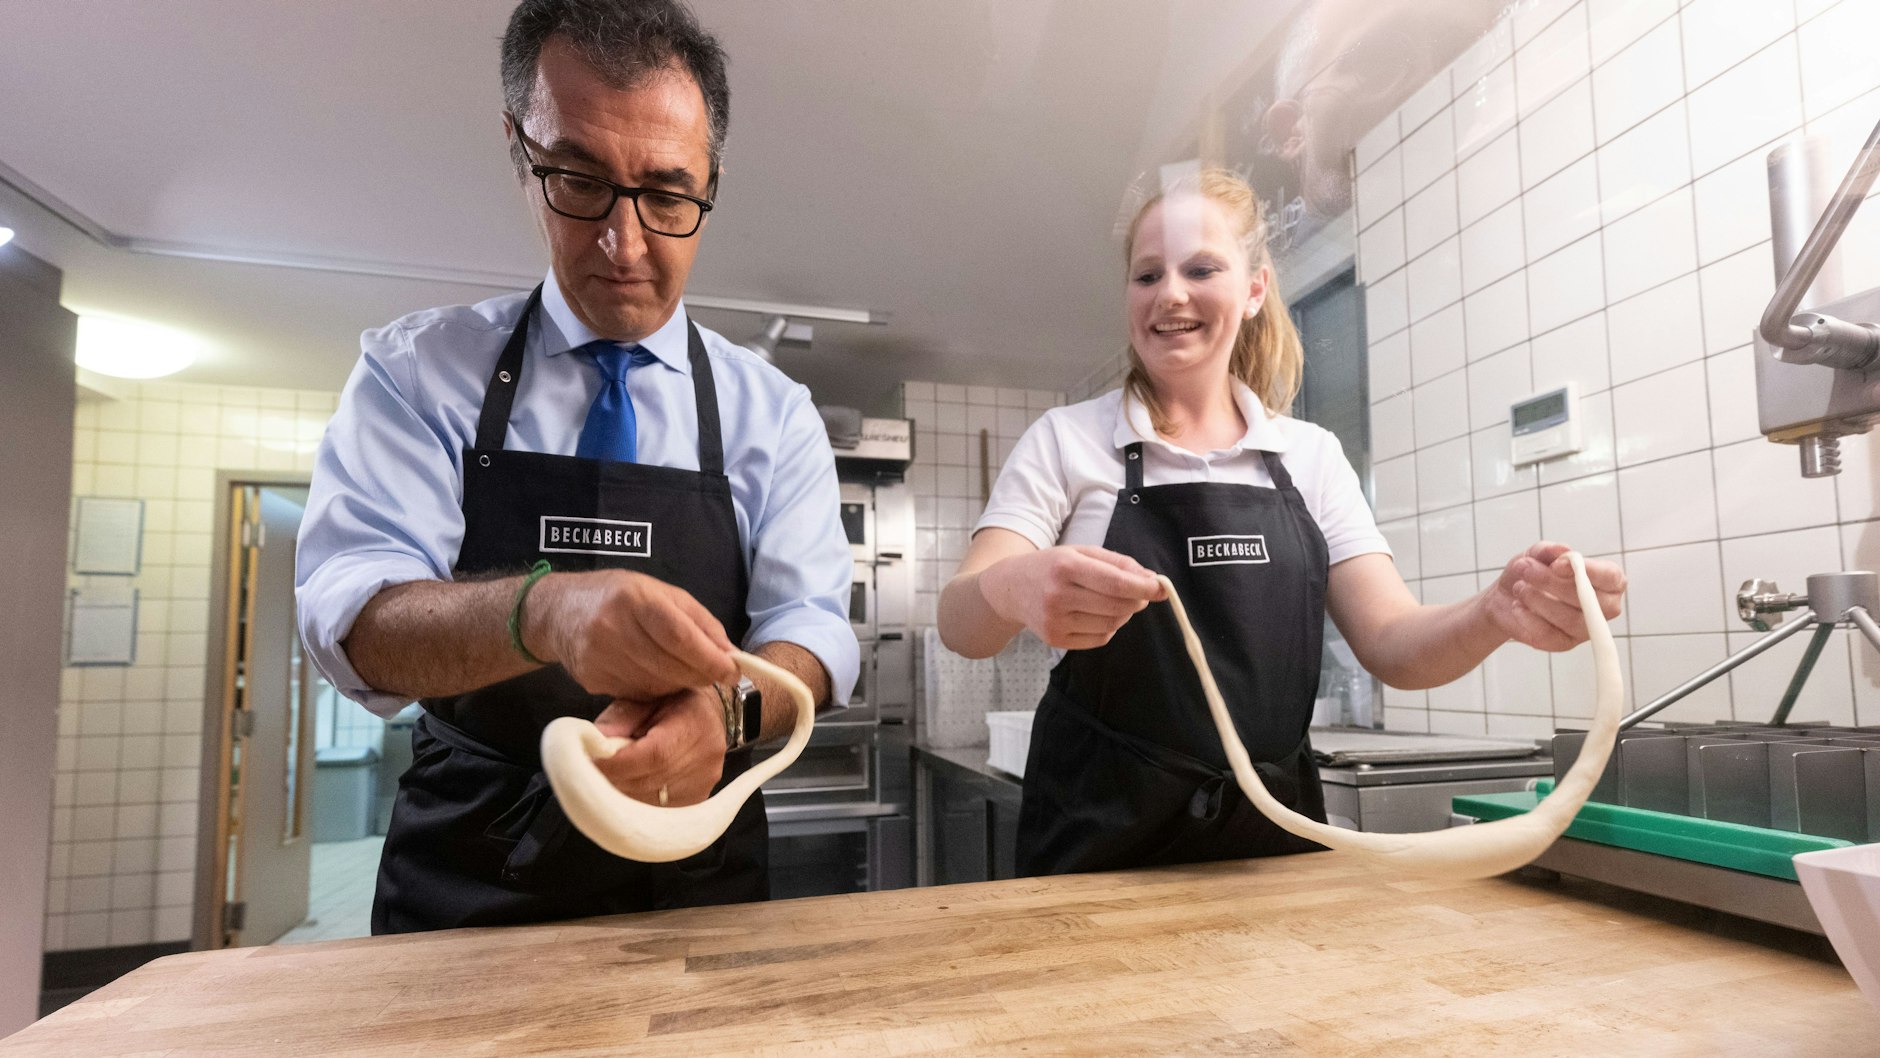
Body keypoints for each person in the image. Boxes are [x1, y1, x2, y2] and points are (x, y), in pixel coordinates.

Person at [295, 0, 857, 933]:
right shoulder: (414, 374)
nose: (624, 245)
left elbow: (813, 630)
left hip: (697, 869)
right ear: (522, 152)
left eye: (669, 196)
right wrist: (542, 611)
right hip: (470, 868)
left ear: (712, 180)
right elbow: (351, 615)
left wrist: (723, 709)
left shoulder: (773, 412)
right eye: (580, 182)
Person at [937, 168, 1624, 877]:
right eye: (1147, 276)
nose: (1170, 293)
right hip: (1100, 841)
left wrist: (1495, 611)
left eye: (1201, 267)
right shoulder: (1067, 440)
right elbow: (962, 624)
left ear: (1255, 288)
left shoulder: (1310, 457)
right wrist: (1013, 585)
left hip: (1272, 844)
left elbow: (1393, 644)